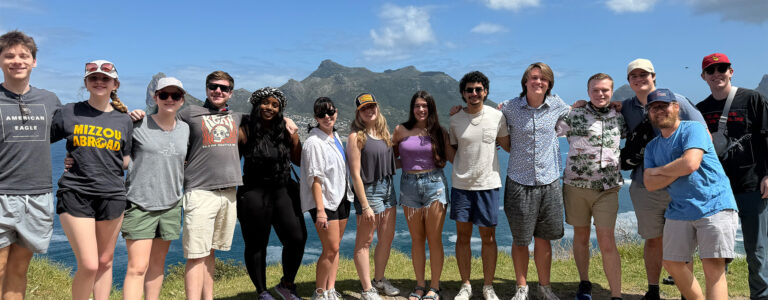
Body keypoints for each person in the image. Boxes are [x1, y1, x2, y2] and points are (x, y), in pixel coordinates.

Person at [620, 58, 706, 300]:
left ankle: (685, 292)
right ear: (629, 81)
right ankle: (653, 289)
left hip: (680, 184)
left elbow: (702, 133)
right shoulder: (627, 106)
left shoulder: (676, 101)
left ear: (654, 76)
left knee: (683, 240)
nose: (639, 79)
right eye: (634, 76)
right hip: (644, 183)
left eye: (644, 75)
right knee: (653, 239)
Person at [643, 88, 738, 300]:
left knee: (713, 268)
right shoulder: (652, 147)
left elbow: (690, 163)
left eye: (664, 105)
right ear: (649, 113)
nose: (659, 111)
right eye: (654, 108)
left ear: (676, 107)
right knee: (671, 263)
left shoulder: (693, 129)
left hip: (714, 205)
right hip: (679, 210)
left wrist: (659, 171)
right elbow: (649, 184)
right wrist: (675, 170)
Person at [51, 59, 133, 300]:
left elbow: (125, 159)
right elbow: (39, 141)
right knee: (89, 264)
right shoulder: (69, 112)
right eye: (93, 78)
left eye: (105, 78)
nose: (99, 82)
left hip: (112, 194)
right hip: (76, 192)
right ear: (85, 83)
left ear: (115, 84)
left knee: (105, 261)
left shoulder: (124, 120)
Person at [695, 53, 768, 299]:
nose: (717, 73)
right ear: (703, 76)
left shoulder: (753, 99)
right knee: (718, 250)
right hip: (717, 189)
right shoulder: (701, 109)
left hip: (752, 185)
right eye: (711, 70)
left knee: (757, 249)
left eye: (722, 68)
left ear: (731, 71)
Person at [0, 30, 62, 300]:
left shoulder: (49, 100)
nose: (17, 60)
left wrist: (127, 115)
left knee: (18, 270)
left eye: (24, 55)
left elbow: (73, 131)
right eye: (9, 55)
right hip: (1, 193)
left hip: (37, 195)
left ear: (34, 61)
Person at [500, 62, 568, 300]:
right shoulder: (509, 108)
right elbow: (487, 120)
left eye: (544, 79)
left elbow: (579, 114)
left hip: (549, 182)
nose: (539, 82)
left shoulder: (557, 105)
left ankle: (544, 287)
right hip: (519, 182)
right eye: (534, 77)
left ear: (549, 84)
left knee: (544, 240)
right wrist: (459, 110)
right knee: (520, 240)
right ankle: (521, 288)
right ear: (525, 81)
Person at [120, 77, 189, 300]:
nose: (169, 99)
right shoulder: (138, 125)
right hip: (140, 203)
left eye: (175, 95)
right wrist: (73, 159)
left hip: (170, 204)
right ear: (155, 97)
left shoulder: (186, 130)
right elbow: (115, 153)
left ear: (182, 100)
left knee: (157, 266)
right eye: (164, 95)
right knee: (137, 267)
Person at [556, 73, 623, 300]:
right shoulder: (575, 114)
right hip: (576, 186)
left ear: (611, 91)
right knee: (581, 237)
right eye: (595, 90)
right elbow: (550, 130)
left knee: (607, 240)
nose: (600, 94)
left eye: (605, 90)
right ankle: (584, 283)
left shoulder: (620, 117)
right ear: (588, 92)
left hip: (608, 188)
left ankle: (616, 294)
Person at [237, 87, 305, 300]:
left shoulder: (284, 129)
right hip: (253, 193)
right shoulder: (245, 129)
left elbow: (298, 160)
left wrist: (294, 136)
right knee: (257, 244)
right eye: (266, 103)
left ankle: (286, 284)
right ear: (257, 104)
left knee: (297, 238)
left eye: (275, 105)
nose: (270, 108)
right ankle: (262, 292)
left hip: (283, 189)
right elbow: (229, 157)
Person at [449, 71, 510, 300]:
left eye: (478, 89)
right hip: (462, 185)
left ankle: (488, 286)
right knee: (462, 237)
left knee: (489, 238)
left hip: (488, 184)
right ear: (463, 94)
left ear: (485, 91)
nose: (474, 93)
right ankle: (465, 285)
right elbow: (452, 150)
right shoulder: (455, 120)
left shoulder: (497, 117)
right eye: (469, 90)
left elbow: (508, 145)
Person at [393, 91, 454, 300]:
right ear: (412, 108)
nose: (421, 109)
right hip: (408, 185)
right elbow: (390, 159)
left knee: (434, 239)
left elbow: (454, 157)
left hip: (434, 185)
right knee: (417, 239)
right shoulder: (401, 130)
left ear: (431, 108)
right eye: (418, 105)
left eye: (425, 106)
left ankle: (434, 287)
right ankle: (419, 286)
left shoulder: (439, 131)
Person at [347, 93, 400, 300]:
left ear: (377, 108)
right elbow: (355, 174)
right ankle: (367, 288)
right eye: (364, 108)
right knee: (364, 242)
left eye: (372, 106)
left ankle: (379, 280)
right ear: (358, 113)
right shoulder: (356, 137)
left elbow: (390, 163)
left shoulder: (383, 133)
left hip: (388, 189)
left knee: (386, 239)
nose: (369, 111)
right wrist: (365, 205)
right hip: (369, 192)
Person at [300, 97, 353, 300]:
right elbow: (315, 179)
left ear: (336, 112)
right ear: (315, 118)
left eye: (330, 112)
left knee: (336, 248)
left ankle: (331, 288)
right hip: (324, 203)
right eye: (321, 114)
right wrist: (320, 211)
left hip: (340, 198)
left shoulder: (335, 137)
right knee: (330, 248)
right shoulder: (314, 142)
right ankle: (319, 292)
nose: (327, 117)